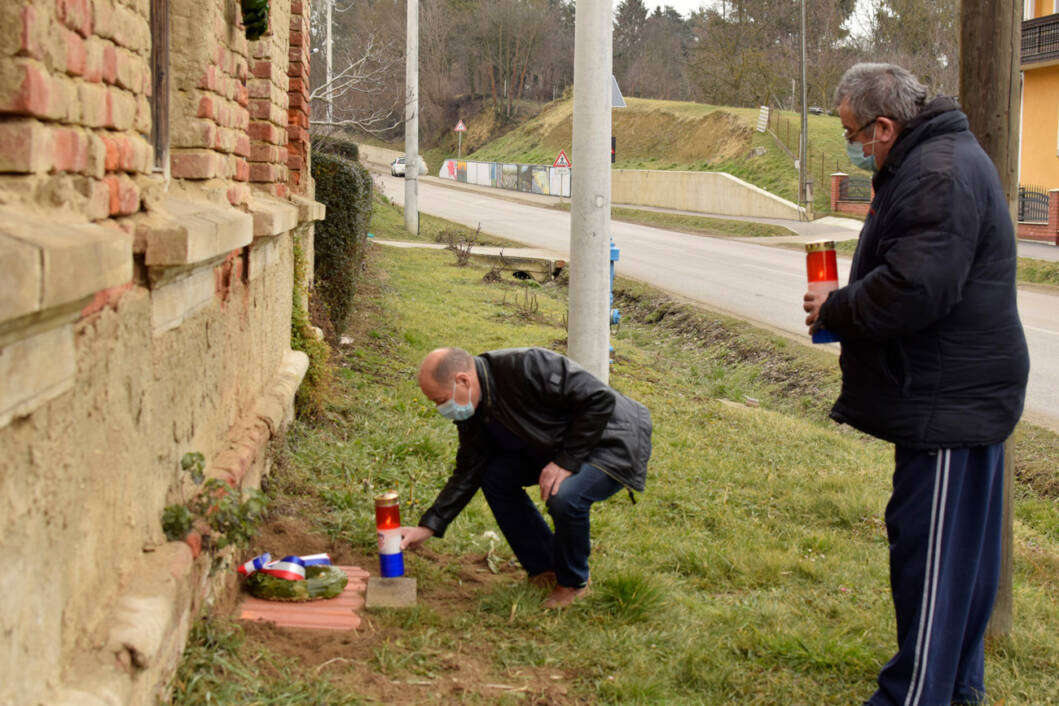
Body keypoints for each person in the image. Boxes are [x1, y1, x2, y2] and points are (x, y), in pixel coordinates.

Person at [803, 63, 1029, 706]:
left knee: (931, 568)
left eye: (854, 136)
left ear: (884, 125)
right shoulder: (936, 158)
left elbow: (914, 288)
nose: (855, 148)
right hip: (956, 396)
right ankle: (956, 692)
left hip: (949, 403)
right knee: (955, 565)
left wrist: (837, 308)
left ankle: (914, 695)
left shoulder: (937, 171)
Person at [400, 346, 652, 608]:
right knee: (494, 476)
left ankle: (574, 582)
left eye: (440, 400)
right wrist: (429, 525)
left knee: (564, 496)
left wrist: (565, 462)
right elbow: (469, 468)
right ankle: (546, 567)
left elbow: (599, 399)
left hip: (611, 437)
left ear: (463, 380)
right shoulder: (474, 406)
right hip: (559, 442)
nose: (441, 409)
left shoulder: (530, 365)